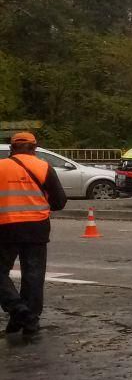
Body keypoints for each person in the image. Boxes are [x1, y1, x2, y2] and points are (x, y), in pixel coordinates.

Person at [1, 132, 69, 339]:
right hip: (36, 227)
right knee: (34, 274)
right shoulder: (44, 167)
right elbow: (59, 201)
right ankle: (30, 319)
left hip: (5, 227)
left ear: (12, 148)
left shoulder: (1, 167)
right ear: (34, 148)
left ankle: (18, 310)